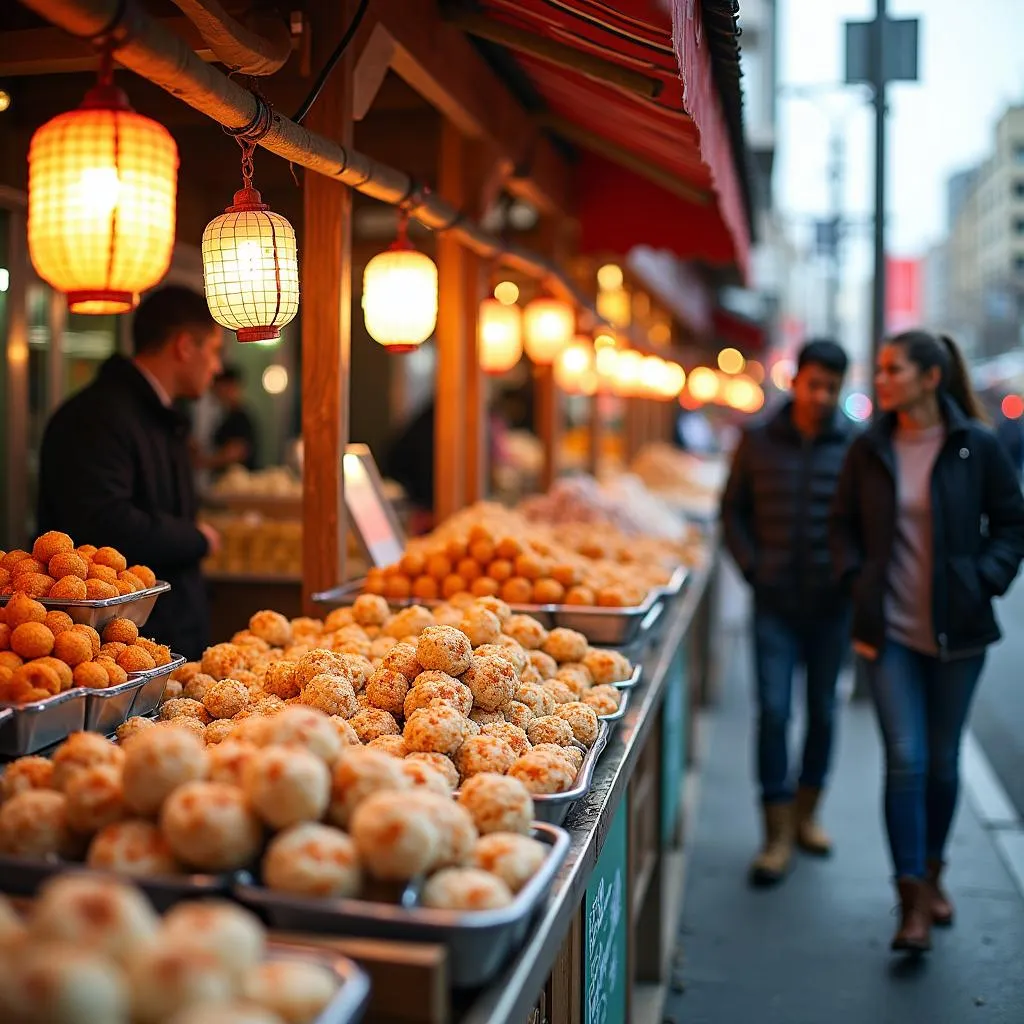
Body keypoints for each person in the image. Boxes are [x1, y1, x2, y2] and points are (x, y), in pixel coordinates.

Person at [831, 330, 1024, 953]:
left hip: (958, 634)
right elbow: (842, 526)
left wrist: (985, 578)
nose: (880, 378)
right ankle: (911, 897)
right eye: (880, 368)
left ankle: (934, 871)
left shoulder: (975, 445)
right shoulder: (871, 447)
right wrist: (857, 582)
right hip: (888, 633)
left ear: (930, 378)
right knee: (907, 759)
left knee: (943, 763)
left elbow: (1012, 523)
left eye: (893, 369)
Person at [720, 339, 855, 886]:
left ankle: (808, 815)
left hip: (832, 606)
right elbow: (733, 511)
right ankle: (773, 831)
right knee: (774, 712)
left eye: (831, 387)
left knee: (823, 712)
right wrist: (753, 568)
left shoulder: (856, 445)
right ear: (796, 380)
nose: (820, 396)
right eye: (813, 383)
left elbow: (873, 519)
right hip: (774, 603)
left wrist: (853, 575)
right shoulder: (758, 441)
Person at [37, 286, 224, 659]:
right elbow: (103, 523)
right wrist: (196, 537)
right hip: (116, 648)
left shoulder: (155, 412)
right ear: (185, 346)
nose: (217, 367)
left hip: (154, 635)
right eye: (215, 351)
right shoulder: (98, 417)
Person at [199, 366, 259, 474]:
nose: (215, 391)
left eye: (218, 386)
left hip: (237, 485)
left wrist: (202, 462)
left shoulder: (240, 418)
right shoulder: (225, 416)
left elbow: (236, 452)